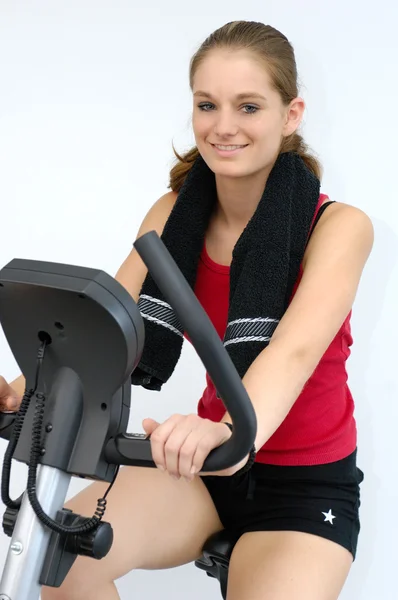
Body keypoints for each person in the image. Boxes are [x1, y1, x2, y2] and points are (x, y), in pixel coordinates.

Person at [0, 20, 373, 600]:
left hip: (303, 486)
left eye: (248, 106)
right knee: (61, 557)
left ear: (291, 114)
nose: (223, 126)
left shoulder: (339, 226)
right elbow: (106, 324)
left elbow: (294, 351)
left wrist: (231, 432)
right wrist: (31, 388)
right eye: (207, 104)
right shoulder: (173, 215)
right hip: (202, 472)